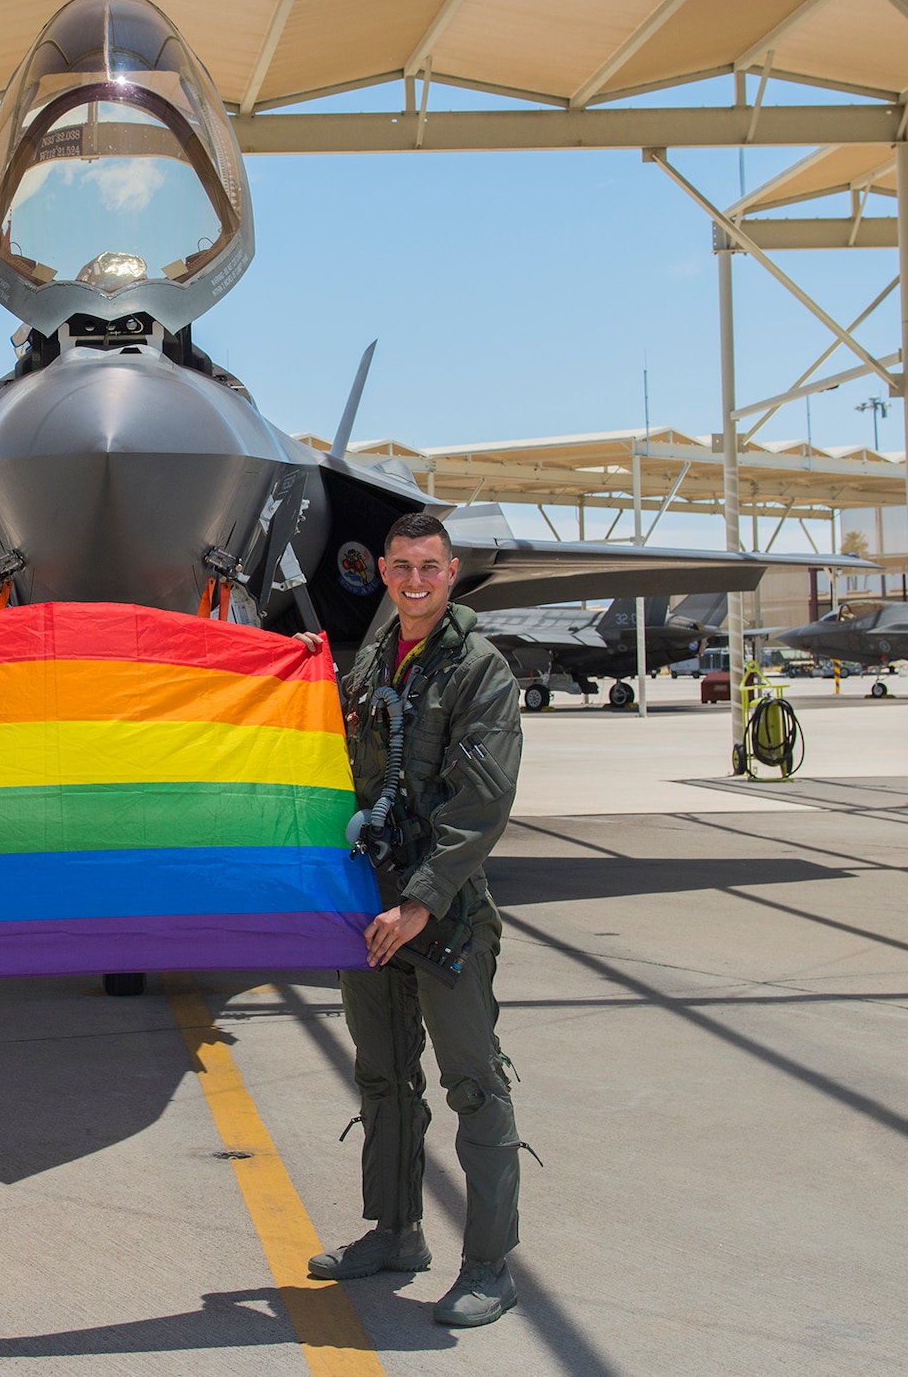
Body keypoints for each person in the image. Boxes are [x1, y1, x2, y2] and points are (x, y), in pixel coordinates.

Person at [300, 512, 528, 1329]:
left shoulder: (481, 671)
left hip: (443, 913)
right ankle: (394, 1233)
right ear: (386, 572)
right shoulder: (373, 656)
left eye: (429, 565)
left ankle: (491, 1266)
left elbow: (482, 806)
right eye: (401, 566)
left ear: (453, 570)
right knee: (384, 1077)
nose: (415, 579)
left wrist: (420, 900)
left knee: (473, 1084)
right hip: (372, 910)